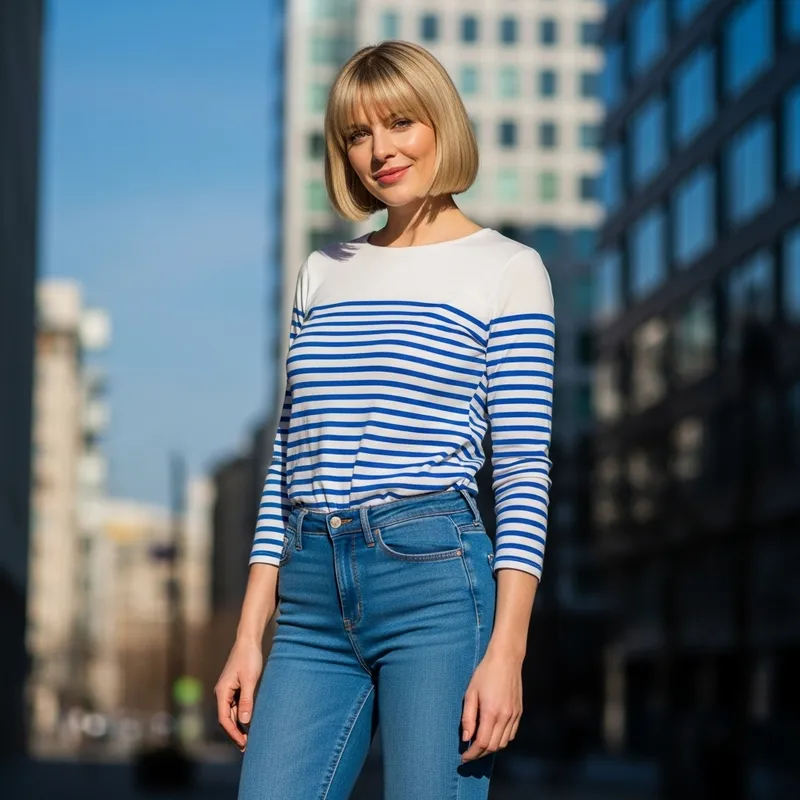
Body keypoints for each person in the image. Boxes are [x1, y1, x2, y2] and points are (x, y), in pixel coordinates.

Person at [215, 40, 556, 800]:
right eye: (358, 134)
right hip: (309, 593)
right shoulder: (323, 271)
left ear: (441, 123)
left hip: (433, 581)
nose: (380, 151)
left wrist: (508, 651)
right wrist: (248, 635)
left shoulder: (508, 269)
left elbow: (523, 470)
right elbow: (288, 458)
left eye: (400, 123)